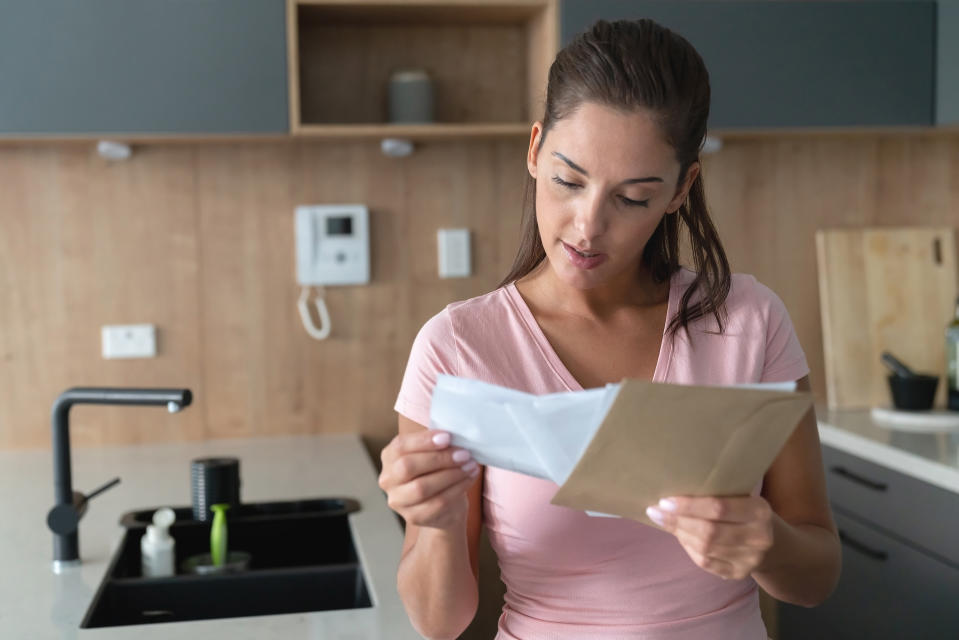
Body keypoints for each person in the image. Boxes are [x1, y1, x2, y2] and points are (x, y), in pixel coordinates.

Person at [379, 18, 841, 640]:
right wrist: (432, 525)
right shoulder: (458, 347)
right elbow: (439, 623)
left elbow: (816, 578)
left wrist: (767, 542)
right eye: (569, 181)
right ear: (536, 148)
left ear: (682, 189)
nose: (588, 227)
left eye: (633, 198)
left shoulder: (749, 323)